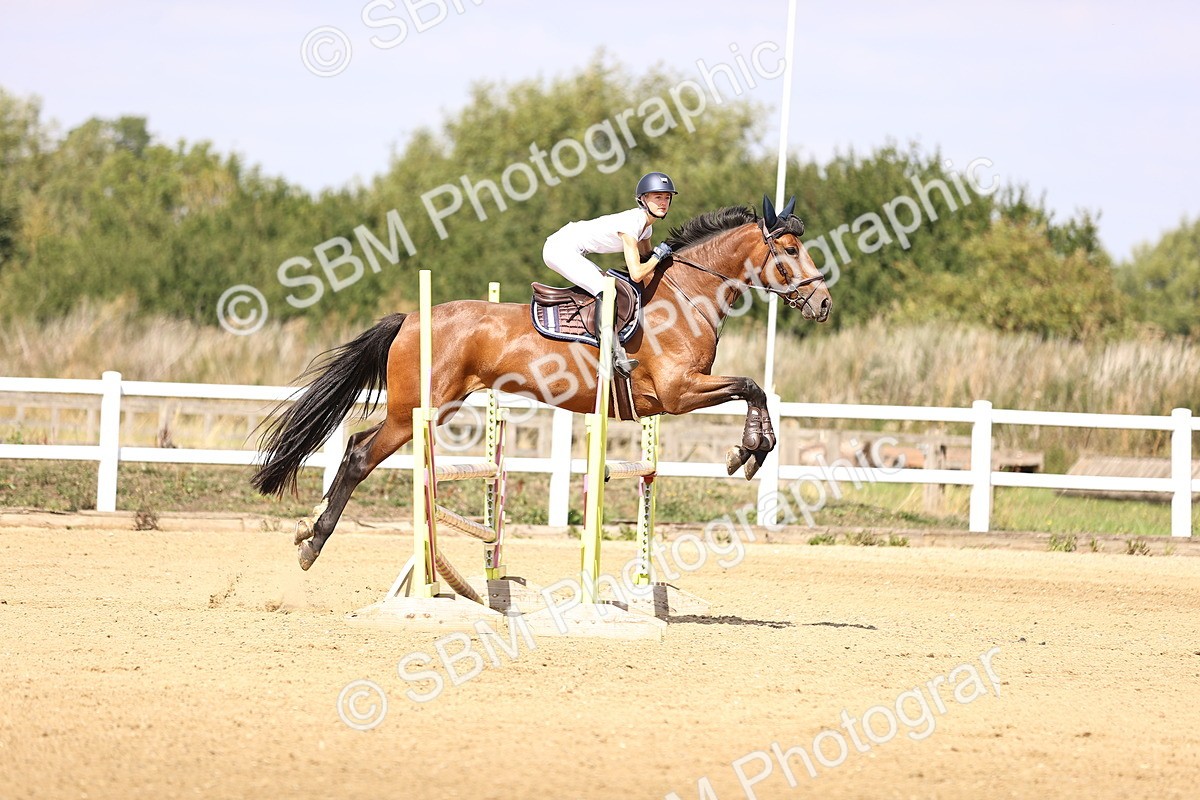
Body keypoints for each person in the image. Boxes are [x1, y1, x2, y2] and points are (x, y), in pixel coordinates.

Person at [542, 172, 678, 375]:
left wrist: (664, 259)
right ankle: (610, 356)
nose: (664, 202)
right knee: (606, 291)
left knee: (611, 286)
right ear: (643, 199)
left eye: (667, 197)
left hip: (572, 247)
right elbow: (637, 273)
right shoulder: (632, 223)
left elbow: (646, 260)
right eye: (657, 197)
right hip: (559, 248)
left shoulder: (645, 229)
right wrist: (659, 256)